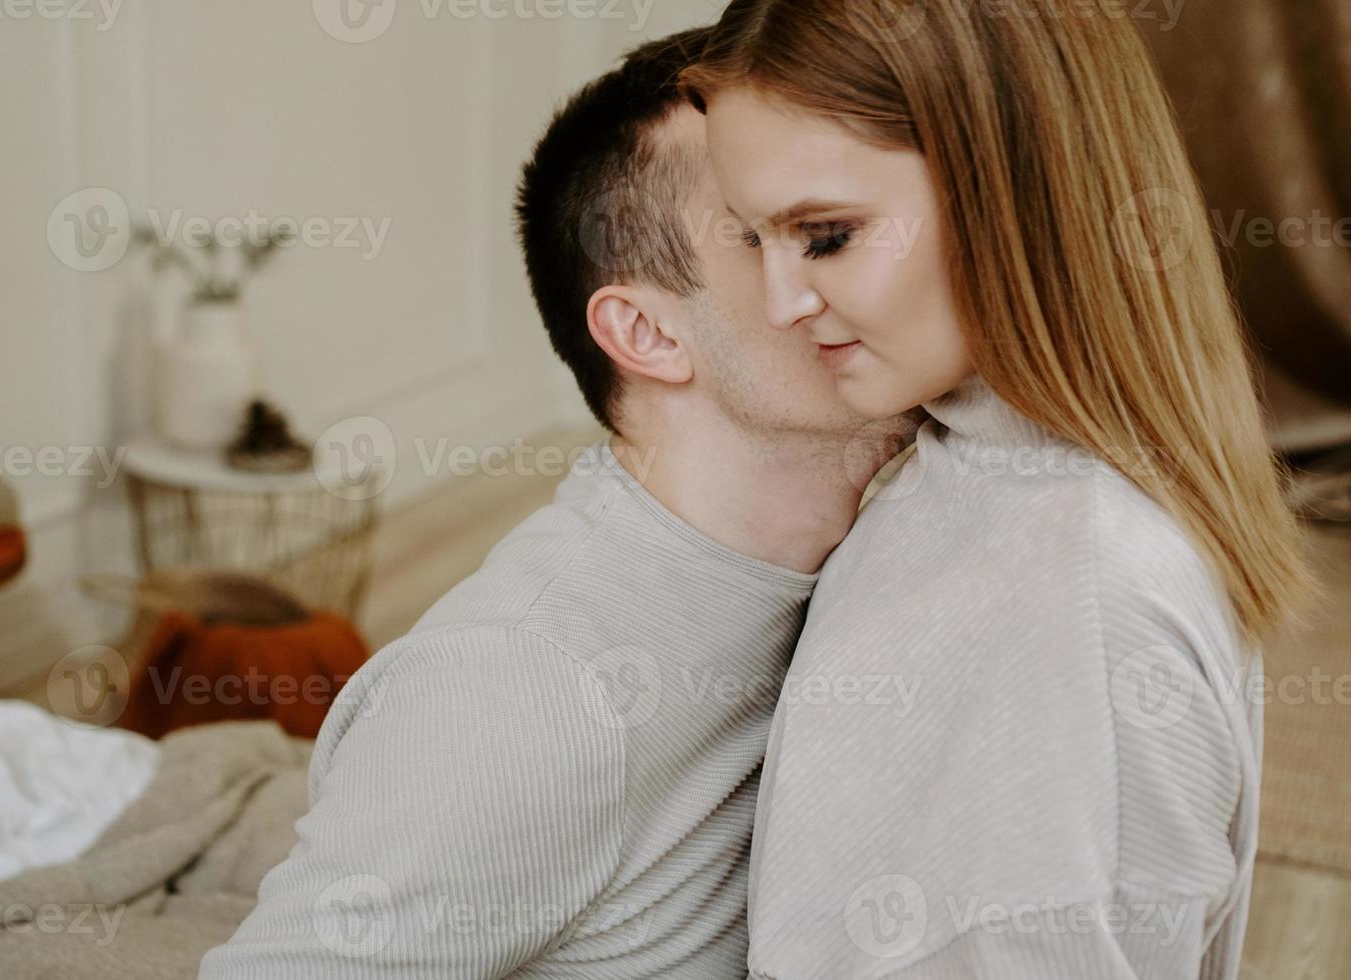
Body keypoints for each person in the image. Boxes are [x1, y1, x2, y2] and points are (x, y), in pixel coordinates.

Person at [198, 27, 918, 979]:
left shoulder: (899, 518)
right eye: (780, 232)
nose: (877, 267)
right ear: (647, 333)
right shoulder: (519, 698)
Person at [679, 2, 1315, 977]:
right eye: (754, 238)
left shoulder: (1091, 588)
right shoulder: (967, 462)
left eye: (829, 235)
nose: (780, 302)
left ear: (1014, 192)